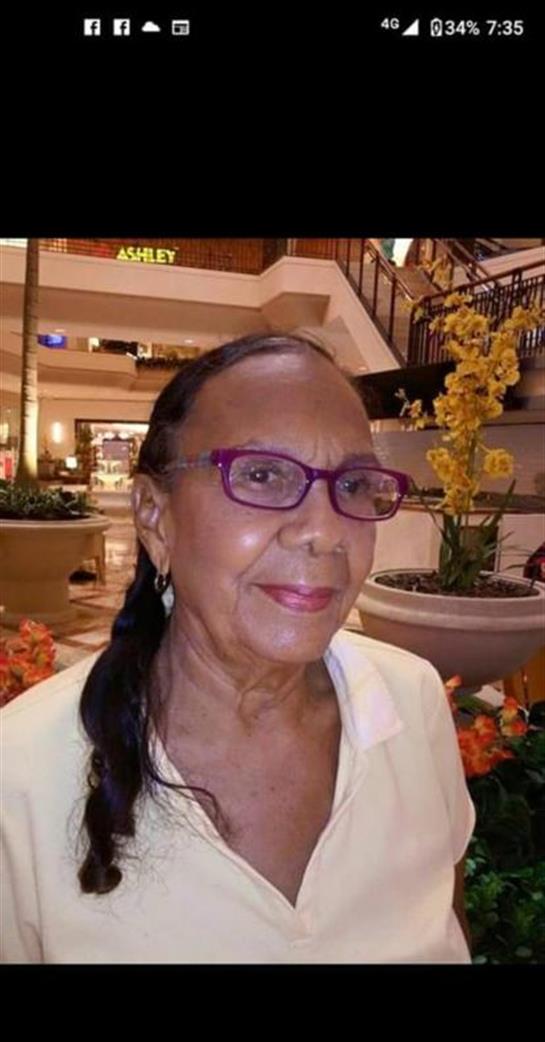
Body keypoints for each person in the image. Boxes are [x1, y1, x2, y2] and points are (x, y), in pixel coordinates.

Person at [1, 332, 475, 964]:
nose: (325, 531)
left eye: (355, 484)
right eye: (261, 475)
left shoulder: (411, 701)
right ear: (154, 515)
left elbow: (448, 920)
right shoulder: (20, 776)